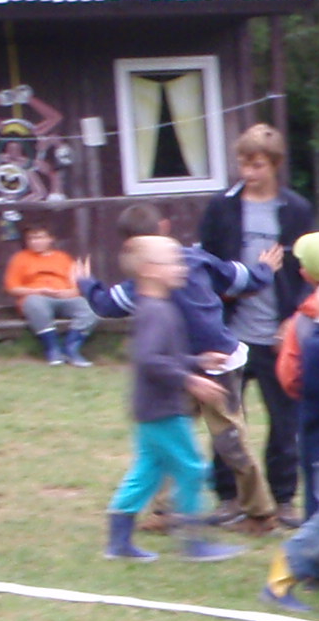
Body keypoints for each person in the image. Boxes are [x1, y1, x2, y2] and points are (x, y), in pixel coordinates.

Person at [83, 204, 278, 531]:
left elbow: (105, 304)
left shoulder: (182, 266)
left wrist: (86, 283)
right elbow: (239, 277)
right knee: (174, 437)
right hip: (180, 370)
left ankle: (260, 513)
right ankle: (165, 512)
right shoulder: (157, 280)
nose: (179, 269)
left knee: (230, 441)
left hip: (217, 366)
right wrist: (263, 270)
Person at [200, 123, 316, 526]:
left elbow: (307, 271)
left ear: (276, 164)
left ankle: (283, 499)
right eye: (243, 163)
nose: (248, 172)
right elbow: (205, 268)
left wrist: (292, 319)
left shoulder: (296, 209)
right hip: (229, 333)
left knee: (285, 423)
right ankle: (230, 497)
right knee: (227, 420)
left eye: (258, 165)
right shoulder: (221, 207)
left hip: (277, 335)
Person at [102, 235, 243, 564]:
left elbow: (165, 356)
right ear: (150, 270)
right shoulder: (156, 311)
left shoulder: (159, 307)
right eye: (175, 262)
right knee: (191, 469)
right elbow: (149, 359)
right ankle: (194, 543)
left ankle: (119, 541)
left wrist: (197, 361)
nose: (183, 268)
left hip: (150, 408)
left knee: (147, 472)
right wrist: (190, 380)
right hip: (162, 409)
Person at [4, 220, 98, 366]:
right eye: (31, 238)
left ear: (50, 239)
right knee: (34, 303)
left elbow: (78, 284)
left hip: (63, 296)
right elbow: (12, 288)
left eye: (40, 237)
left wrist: (70, 292)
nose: (35, 242)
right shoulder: (20, 259)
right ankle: (52, 349)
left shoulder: (63, 257)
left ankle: (71, 348)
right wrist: (38, 291)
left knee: (91, 308)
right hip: (37, 297)